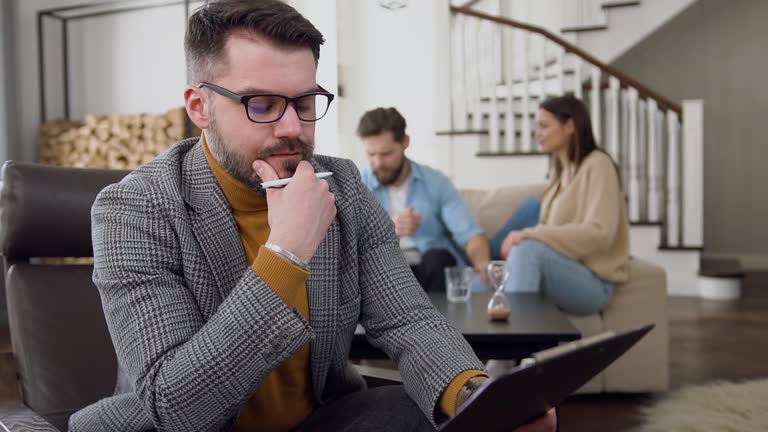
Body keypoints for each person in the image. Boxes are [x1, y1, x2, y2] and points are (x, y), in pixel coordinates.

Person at [69, 1, 555, 431]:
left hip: (318, 418)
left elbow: (409, 320)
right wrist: (287, 252)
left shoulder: (342, 185)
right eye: (261, 104)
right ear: (200, 106)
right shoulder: (133, 210)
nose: (293, 128)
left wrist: (477, 397)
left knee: (449, 417)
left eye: (304, 103)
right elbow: (179, 411)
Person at [500, 95, 629, 316]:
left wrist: (530, 234)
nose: (537, 134)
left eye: (544, 126)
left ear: (569, 126)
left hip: (593, 282)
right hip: (561, 269)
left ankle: (517, 342)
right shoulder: (558, 174)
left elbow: (600, 233)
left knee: (528, 249)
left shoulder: (598, 165)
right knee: (477, 283)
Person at [358, 107, 492, 292]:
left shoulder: (435, 182)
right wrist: (387, 229)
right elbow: (349, 244)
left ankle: (436, 321)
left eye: (386, 154)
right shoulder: (358, 184)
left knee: (438, 258)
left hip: (430, 270)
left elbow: (468, 233)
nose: (378, 163)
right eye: (371, 155)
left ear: (405, 142)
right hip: (385, 273)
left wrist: (482, 263)